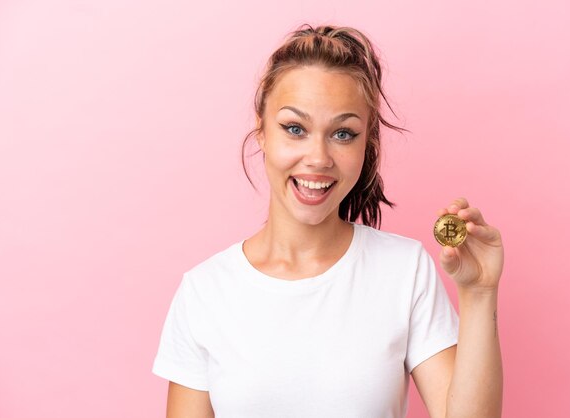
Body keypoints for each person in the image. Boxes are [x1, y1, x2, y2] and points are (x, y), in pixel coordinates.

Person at [152, 23, 504, 418]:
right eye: (295, 129)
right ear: (262, 130)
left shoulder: (404, 270)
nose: (318, 158)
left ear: (366, 142)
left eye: (342, 133)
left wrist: (478, 294)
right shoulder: (205, 292)